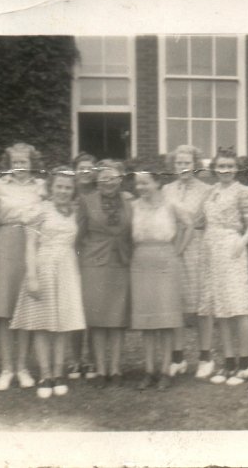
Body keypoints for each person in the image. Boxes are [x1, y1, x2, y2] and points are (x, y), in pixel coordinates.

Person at [10, 166, 86, 399]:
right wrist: (32, 276)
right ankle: (45, 375)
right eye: (59, 186)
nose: (63, 191)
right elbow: (30, 244)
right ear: (51, 188)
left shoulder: (75, 212)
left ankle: (58, 372)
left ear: (73, 191)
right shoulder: (40, 210)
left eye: (68, 187)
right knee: (42, 324)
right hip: (43, 267)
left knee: (62, 324)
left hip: (67, 270)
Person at [0, 143, 45, 391]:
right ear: (9, 163)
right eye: (16, 162)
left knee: (26, 307)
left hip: (33, 244)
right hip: (6, 242)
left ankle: (22, 368)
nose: (20, 166)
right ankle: (6, 369)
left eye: (25, 162)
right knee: (4, 309)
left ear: (32, 163)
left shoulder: (41, 186)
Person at [131, 170, 194, 390]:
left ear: (157, 183)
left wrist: (178, 250)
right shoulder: (134, 206)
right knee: (147, 322)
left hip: (166, 261)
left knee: (166, 321)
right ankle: (149, 371)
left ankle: (166, 370)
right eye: (138, 184)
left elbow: (189, 225)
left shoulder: (171, 204)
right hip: (141, 261)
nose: (141, 187)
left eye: (145, 183)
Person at [201, 148, 248, 386]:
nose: (225, 170)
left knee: (239, 307)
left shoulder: (243, 192)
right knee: (221, 308)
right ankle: (228, 362)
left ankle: (245, 363)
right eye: (222, 166)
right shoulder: (211, 192)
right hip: (212, 251)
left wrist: (241, 244)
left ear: (236, 168)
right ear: (215, 167)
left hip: (232, 249)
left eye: (230, 166)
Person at [77, 160, 133, 388]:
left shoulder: (129, 202)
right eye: (103, 178)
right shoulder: (85, 201)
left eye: (113, 178)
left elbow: (132, 234)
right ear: (97, 179)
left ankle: (116, 369)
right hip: (94, 264)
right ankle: (100, 370)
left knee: (118, 320)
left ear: (120, 180)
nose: (108, 182)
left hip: (120, 263)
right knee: (98, 321)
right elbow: (77, 237)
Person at [161, 145, 215, 379]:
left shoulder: (207, 190)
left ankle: (205, 357)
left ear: (195, 165)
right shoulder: (166, 189)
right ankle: (178, 357)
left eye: (187, 162)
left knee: (202, 305)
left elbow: (202, 222)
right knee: (175, 303)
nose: (183, 166)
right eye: (178, 163)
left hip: (197, 248)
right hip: (173, 248)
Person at [65, 152, 98, 381]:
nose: (85, 172)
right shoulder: (67, 195)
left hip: (92, 256)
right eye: (81, 168)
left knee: (92, 308)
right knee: (74, 307)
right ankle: (75, 360)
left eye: (89, 168)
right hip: (69, 256)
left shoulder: (99, 195)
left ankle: (93, 359)